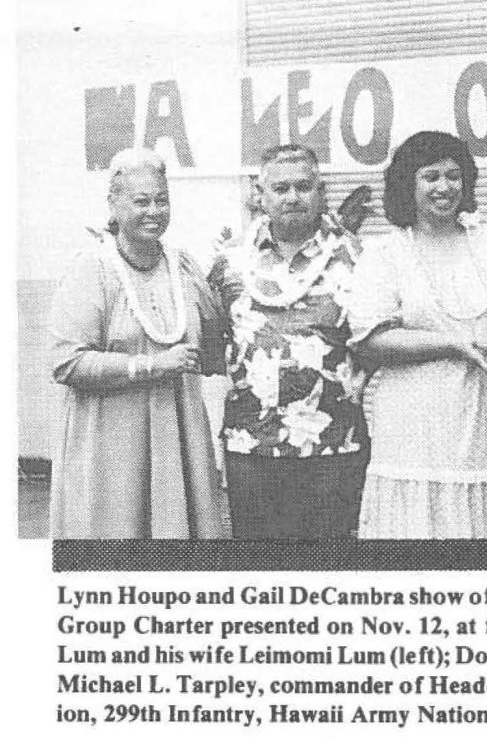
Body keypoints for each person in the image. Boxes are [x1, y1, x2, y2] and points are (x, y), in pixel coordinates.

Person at [348, 131, 487, 539]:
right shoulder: (385, 253)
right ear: (408, 184)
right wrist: (453, 344)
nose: (444, 187)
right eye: (431, 177)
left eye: (454, 176)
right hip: (417, 421)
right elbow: (371, 338)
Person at [49, 148, 227, 538]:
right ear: (113, 204)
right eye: (141, 200)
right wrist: (150, 365)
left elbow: (211, 356)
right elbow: (65, 362)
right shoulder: (92, 268)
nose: (154, 211)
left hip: (177, 439)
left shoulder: (183, 266)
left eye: (162, 200)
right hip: (111, 445)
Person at [208, 144, 368, 539]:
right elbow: (213, 344)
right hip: (253, 444)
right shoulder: (230, 261)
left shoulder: (356, 256)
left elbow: (374, 343)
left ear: (322, 190)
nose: (293, 197)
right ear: (259, 195)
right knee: (261, 570)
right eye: (280, 188)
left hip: (334, 445)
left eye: (304, 186)